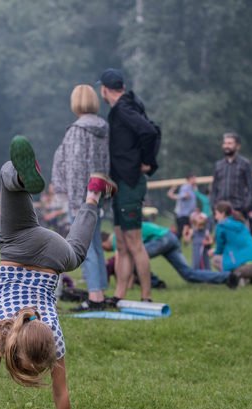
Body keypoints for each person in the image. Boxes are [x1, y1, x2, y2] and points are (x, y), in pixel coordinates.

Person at [0, 136, 117, 409]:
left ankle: (90, 193)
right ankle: (19, 178)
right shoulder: (1, 332)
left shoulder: (38, 334)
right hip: (20, 247)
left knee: (76, 252)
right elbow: (60, 394)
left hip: (47, 254)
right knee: (8, 184)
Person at [98, 68, 160, 305]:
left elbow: (150, 131)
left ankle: (146, 296)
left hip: (130, 182)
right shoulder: (126, 106)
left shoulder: (123, 109)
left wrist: (147, 162)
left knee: (134, 244)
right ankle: (119, 295)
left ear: (105, 90)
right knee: (122, 245)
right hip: (120, 183)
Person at [51, 84, 111, 311]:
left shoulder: (77, 130)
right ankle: (100, 292)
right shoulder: (102, 129)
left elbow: (75, 167)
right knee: (96, 245)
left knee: (85, 247)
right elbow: (104, 163)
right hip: (97, 193)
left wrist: (77, 201)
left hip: (82, 197)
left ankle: (94, 297)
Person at [101, 221, 237, 287]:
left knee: (136, 259)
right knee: (188, 274)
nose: (105, 251)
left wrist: (124, 284)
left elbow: (122, 262)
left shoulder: (116, 239)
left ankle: (156, 284)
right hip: (170, 237)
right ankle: (227, 277)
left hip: (162, 239)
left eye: (103, 248)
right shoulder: (120, 232)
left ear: (104, 242)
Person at [211, 132, 252, 231]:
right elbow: (214, 188)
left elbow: (251, 188)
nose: (226, 146)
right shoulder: (219, 165)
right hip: (221, 211)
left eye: (230, 143)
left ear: (237, 146)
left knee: (239, 238)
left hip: (238, 210)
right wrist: (214, 206)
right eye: (225, 143)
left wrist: (246, 208)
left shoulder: (245, 164)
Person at [212, 201, 252, 284]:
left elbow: (219, 250)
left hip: (244, 269)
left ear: (222, 213)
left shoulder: (221, 226)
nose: (215, 217)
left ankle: (238, 278)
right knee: (238, 259)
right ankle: (251, 279)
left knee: (215, 259)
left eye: (216, 214)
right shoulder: (240, 223)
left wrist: (213, 252)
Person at [168, 174, 196, 244]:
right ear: (190, 179)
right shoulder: (185, 187)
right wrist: (185, 196)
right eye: (194, 179)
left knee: (189, 231)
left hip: (188, 214)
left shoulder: (191, 188)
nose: (195, 180)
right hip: (183, 215)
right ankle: (173, 243)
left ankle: (184, 241)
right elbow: (182, 196)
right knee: (181, 232)